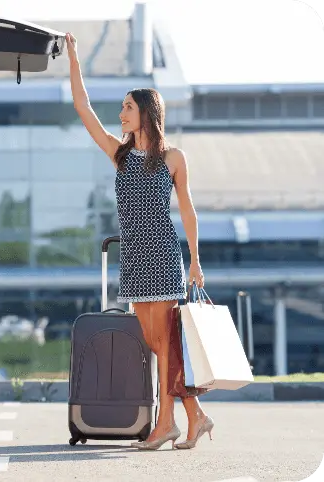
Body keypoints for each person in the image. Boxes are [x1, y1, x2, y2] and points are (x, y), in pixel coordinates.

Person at [65, 32, 214, 450]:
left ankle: (166, 423)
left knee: (165, 342)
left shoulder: (174, 159)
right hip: (133, 259)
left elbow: (188, 212)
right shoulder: (119, 154)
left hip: (164, 257)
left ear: (147, 113)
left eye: (128, 108)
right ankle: (195, 416)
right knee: (153, 343)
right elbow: (83, 108)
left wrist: (196, 261)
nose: (121, 114)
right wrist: (74, 56)